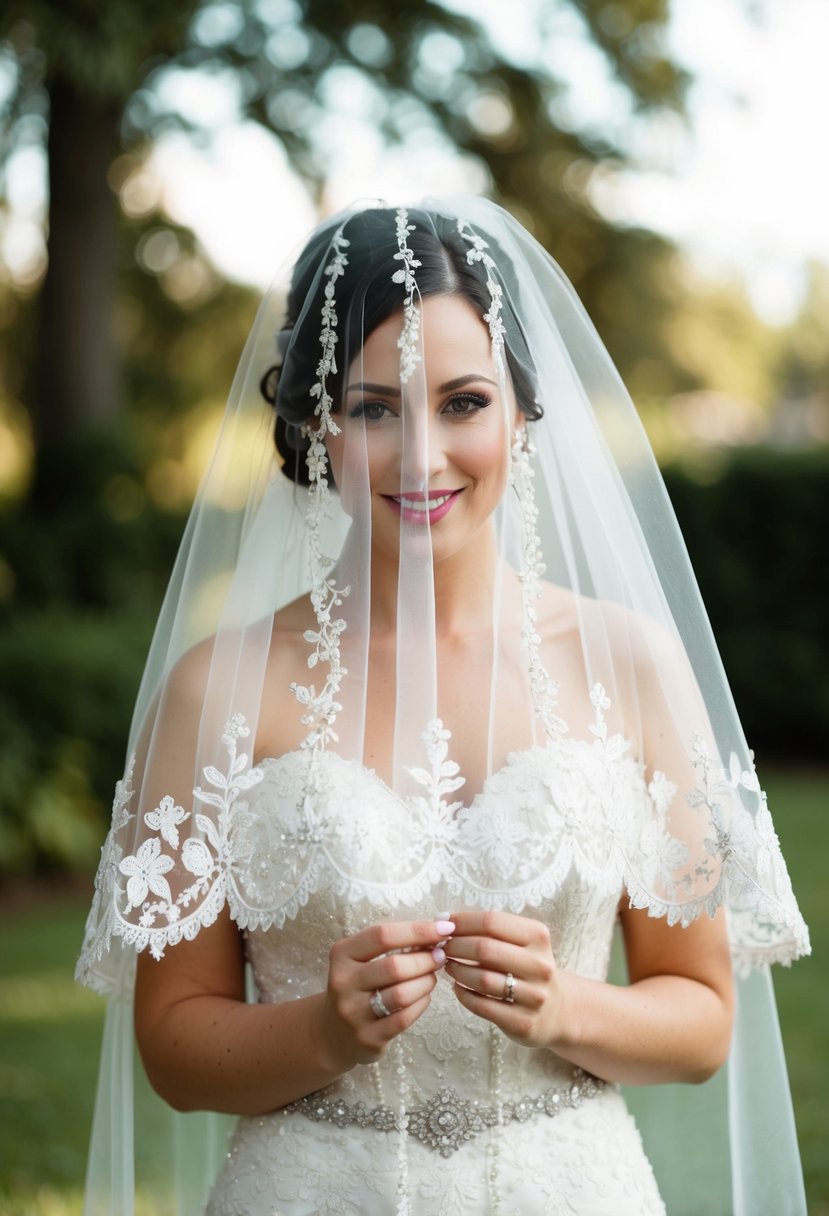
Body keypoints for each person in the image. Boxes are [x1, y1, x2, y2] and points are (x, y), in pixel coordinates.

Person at [77, 198, 809, 1215]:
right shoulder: (217, 690)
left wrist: (562, 1007)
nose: (420, 458)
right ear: (315, 419)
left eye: (462, 401)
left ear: (521, 411)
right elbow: (173, 1044)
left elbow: (701, 1020)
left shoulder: (630, 667)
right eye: (375, 408)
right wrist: (322, 1032)